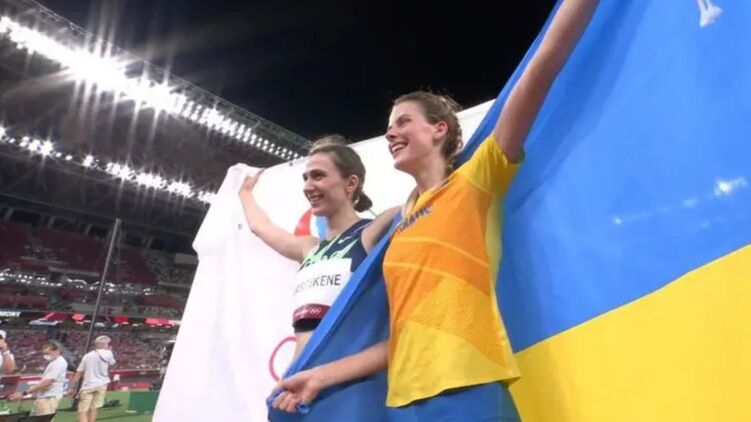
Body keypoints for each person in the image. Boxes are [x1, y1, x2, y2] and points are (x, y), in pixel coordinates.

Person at [272, 0, 600, 418]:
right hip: (402, 403)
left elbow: (543, 66)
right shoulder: (399, 226)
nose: (391, 133)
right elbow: (401, 335)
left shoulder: (476, 179)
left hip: (468, 387)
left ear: (439, 129)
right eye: (389, 126)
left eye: (403, 121)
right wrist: (323, 375)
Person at [240, 135, 399, 357]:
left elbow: (423, 200)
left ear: (350, 183)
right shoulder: (308, 248)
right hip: (298, 373)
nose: (308, 186)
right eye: (305, 178)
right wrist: (245, 193)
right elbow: (260, 226)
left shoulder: (371, 233)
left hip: (348, 375)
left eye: (318, 176)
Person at [9, 340, 68, 416]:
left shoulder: (59, 363)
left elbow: (47, 382)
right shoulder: (54, 362)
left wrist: (24, 393)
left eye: (48, 353)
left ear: (57, 351)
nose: (46, 356)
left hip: (48, 398)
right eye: (45, 353)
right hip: (45, 397)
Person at [66, 335, 116, 422]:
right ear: (104, 344)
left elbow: (79, 372)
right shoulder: (108, 353)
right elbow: (112, 363)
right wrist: (109, 351)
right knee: (94, 408)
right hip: (102, 384)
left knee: (83, 409)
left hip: (88, 385)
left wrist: (72, 387)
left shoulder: (87, 356)